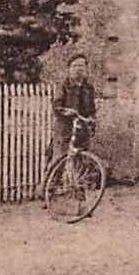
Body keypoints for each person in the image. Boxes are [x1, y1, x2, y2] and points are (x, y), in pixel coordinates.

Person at [43, 54, 97, 202]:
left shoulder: (88, 88)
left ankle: (80, 198)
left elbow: (92, 108)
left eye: (81, 66)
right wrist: (66, 111)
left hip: (82, 127)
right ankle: (49, 193)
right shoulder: (64, 85)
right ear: (69, 69)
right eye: (75, 66)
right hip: (65, 127)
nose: (78, 70)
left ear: (86, 69)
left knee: (82, 162)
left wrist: (92, 119)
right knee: (59, 159)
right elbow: (56, 105)